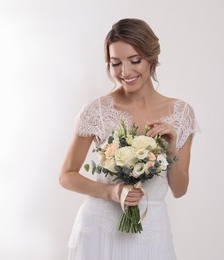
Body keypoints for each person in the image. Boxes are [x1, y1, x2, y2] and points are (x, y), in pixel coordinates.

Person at [59, 18, 199, 260]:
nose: (125, 72)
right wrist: (112, 192)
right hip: (99, 227)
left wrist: (171, 147)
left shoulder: (181, 113)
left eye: (135, 61)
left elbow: (179, 189)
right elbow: (66, 176)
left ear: (151, 58)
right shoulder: (97, 110)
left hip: (151, 228)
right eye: (115, 64)